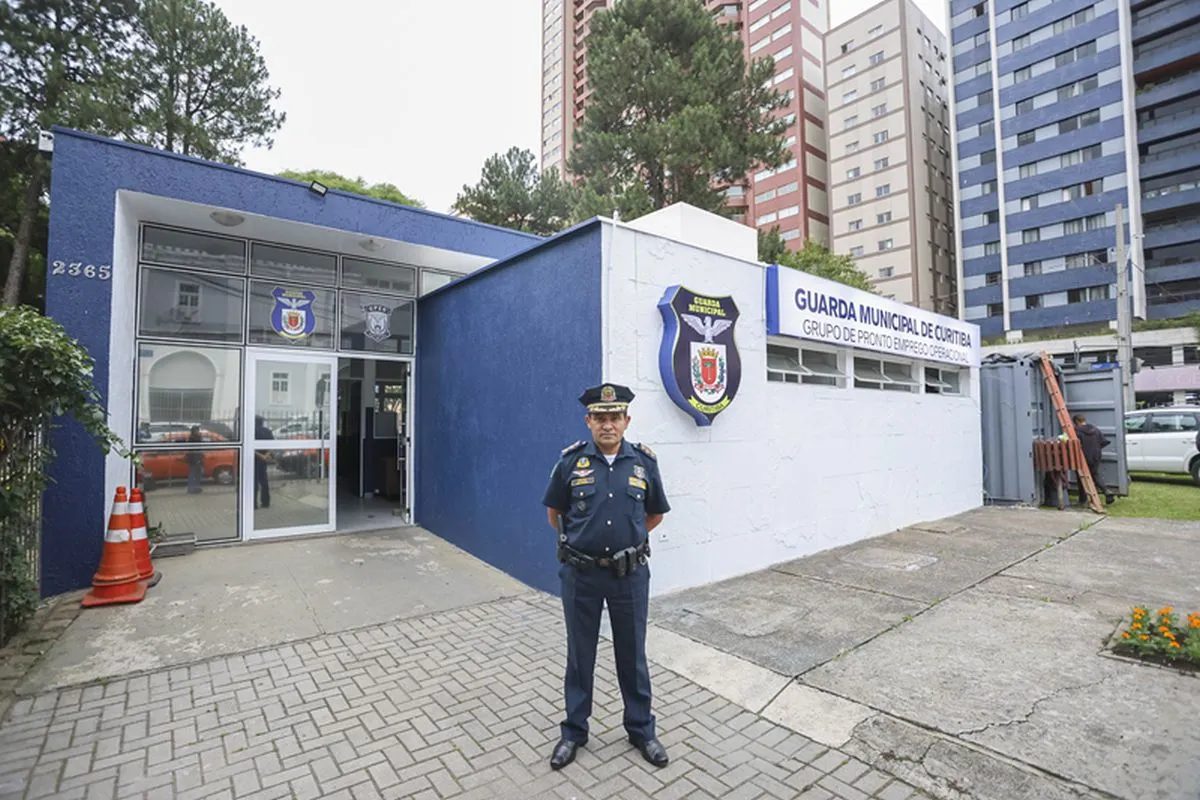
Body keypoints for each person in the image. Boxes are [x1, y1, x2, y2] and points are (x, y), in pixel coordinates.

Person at [542, 383, 671, 771]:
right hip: (580, 574)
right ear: (589, 422)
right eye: (600, 418)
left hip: (628, 577)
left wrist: (624, 548)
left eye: (615, 417)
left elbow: (654, 515)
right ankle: (573, 732)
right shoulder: (570, 463)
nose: (608, 425)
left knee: (632, 656)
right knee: (580, 657)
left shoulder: (644, 464)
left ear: (626, 421)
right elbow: (556, 514)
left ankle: (641, 729)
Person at [1073, 414, 1112, 505]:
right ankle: (1106, 490)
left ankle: (1082, 500)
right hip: (1096, 456)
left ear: (1077, 422)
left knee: (1081, 476)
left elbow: (1075, 444)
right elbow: (1104, 441)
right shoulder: (1095, 429)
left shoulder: (1077, 431)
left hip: (1084, 457)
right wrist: (1097, 448)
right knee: (1095, 474)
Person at [254, 415, 273, 509]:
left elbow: (250, 446)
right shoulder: (267, 431)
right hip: (263, 460)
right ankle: (266, 502)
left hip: (254, 459)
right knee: (264, 481)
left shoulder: (251, 431)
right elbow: (272, 445)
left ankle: (253, 504)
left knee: (254, 482)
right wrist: (266, 455)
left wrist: (260, 455)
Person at [185, 425, 204, 494]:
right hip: (194, 459)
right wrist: (198, 460)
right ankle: (191, 488)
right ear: (193, 431)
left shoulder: (194, 437)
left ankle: (196, 488)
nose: (198, 431)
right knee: (193, 474)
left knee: (197, 474)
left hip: (196, 458)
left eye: (198, 430)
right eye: (197, 430)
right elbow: (196, 448)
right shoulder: (193, 438)